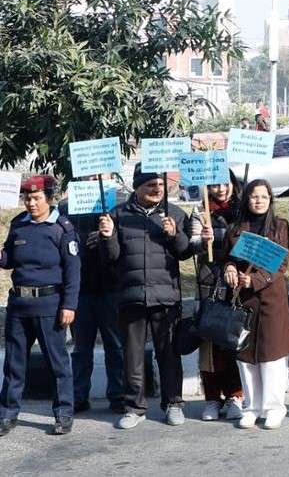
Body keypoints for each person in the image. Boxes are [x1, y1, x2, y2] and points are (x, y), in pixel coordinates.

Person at [98, 169, 196, 428]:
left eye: (160, 184)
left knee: (168, 354)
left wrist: (175, 234)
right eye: (151, 184)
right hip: (131, 296)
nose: (157, 188)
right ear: (137, 187)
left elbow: (186, 253)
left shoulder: (174, 213)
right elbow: (110, 258)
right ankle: (134, 408)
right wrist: (107, 237)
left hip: (166, 297)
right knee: (133, 355)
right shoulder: (118, 215)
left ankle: (173, 403)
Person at [0, 174, 84, 438]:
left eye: (36, 198)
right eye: (27, 198)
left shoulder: (62, 228)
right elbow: (10, 259)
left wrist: (69, 305)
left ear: (49, 199)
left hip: (50, 305)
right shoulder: (19, 224)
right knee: (14, 364)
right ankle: (7, 415)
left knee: (58, 364)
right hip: (19, 305)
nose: (30, 203)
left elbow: (73, 271)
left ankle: (64, 414)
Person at [220, 179, 289, 429]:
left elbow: (281, 265)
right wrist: (230, 268)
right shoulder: (235, 229)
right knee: (246, 357)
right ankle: (252, 406)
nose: (259, 201)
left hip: (270, 300)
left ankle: (275, 408)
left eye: (264, 197)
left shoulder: (280, 227)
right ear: (246, 199)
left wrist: (252, 279)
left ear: (270, 200)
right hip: (243, 302)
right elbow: (227, 258)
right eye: (254, 196)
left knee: (272, 357)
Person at [67, 173, 128, 414]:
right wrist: (83, 239)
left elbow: (128, 242)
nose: (93, 180)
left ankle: (119, 395)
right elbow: (64, 240)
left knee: (115, 345)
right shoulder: (68, 206)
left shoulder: (118, 206)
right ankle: (78, 395)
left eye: (97, 177)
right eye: (88, 176)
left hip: (112, 287)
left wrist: (108, 237)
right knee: (81, 348)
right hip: (81, 288)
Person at [197, 179, 246, 421]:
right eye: (214, 185)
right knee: (210, 342)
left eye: (225, 183)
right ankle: (212, 399)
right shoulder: (200, 211)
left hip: (236, 283)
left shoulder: (243, 209)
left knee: (233, 340)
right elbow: (189, 244)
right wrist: (202, 240)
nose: (221, 189)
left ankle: (236, 396)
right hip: (209, 283)